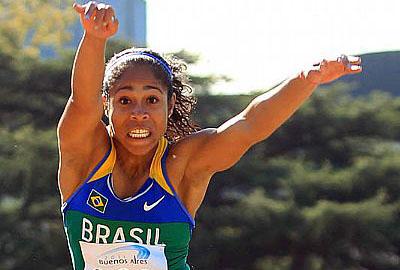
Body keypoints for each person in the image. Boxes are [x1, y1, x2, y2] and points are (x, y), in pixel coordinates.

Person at [58, 2, 362, 270]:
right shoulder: (87, 157)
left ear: (170, 104)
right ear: (107, 105)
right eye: (125, 101)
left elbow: (249, 125)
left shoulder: (182, 164)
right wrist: (95, 39)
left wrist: (305, 80)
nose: (139, 113)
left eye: (152, 100)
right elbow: (83, 103)